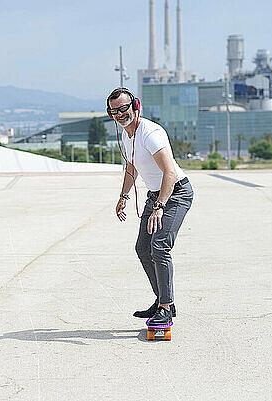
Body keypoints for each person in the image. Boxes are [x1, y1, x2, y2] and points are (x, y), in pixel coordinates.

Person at [107, 87, 194, 326]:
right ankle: (162, 300)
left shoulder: (150, 133)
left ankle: (166, 308)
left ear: (135, 106)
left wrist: (159, 206)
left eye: (124, 108)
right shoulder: (126, 134)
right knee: (142, 248)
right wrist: (123, 196)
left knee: (160, 247)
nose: (120, 114)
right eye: (115, 111)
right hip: (155, 196)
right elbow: (132, 167)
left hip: (175, 193)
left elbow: (169, 171)